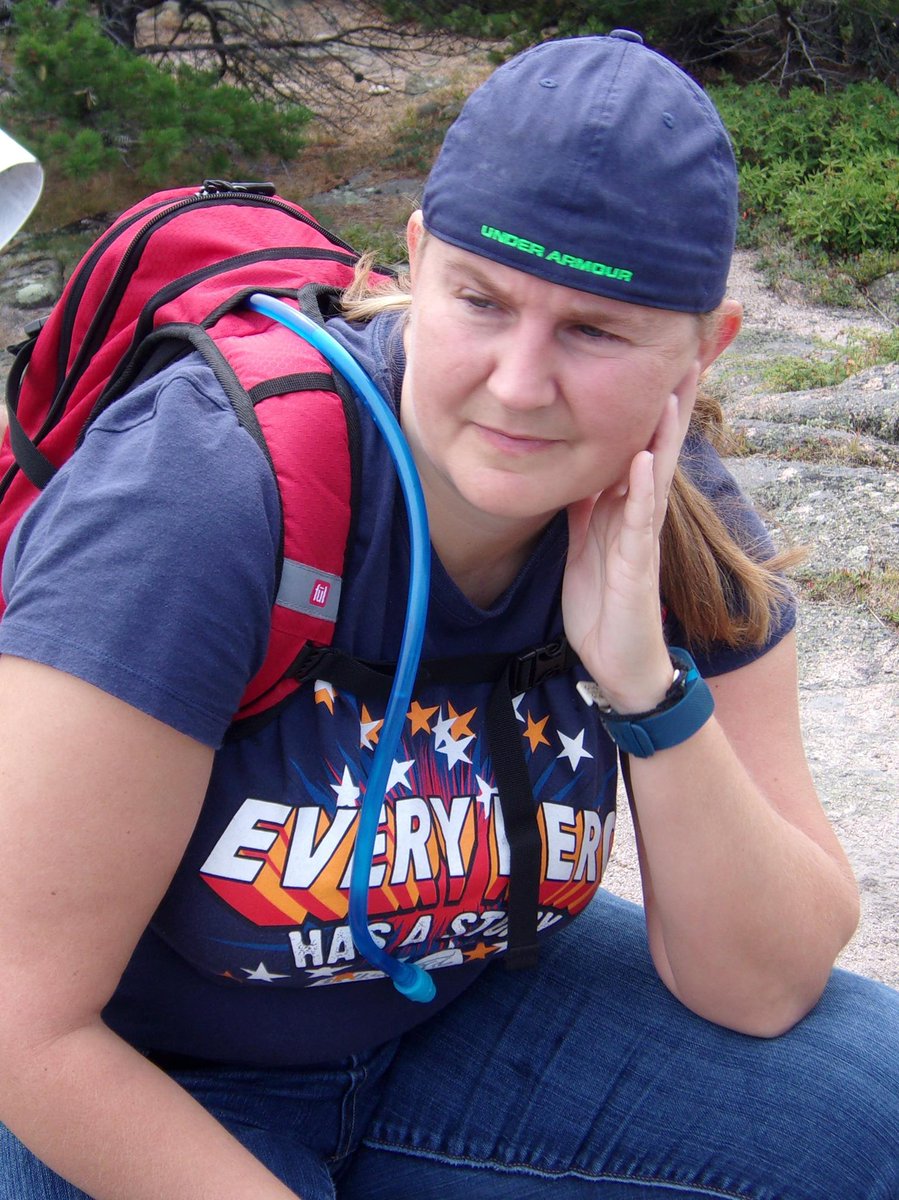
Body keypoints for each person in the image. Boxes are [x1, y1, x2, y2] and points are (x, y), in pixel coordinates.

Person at [0, 31, 896, 1200]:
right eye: (479, 301)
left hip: (444, 1026)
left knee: (867, 1111)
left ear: (701, 349)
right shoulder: (204, 495)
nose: (518, 386)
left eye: (593, 330)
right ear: (416, 263)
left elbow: (762, 986)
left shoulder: (669, 512)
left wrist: (644, 686)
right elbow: (23, 1023)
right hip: (142, 1078)